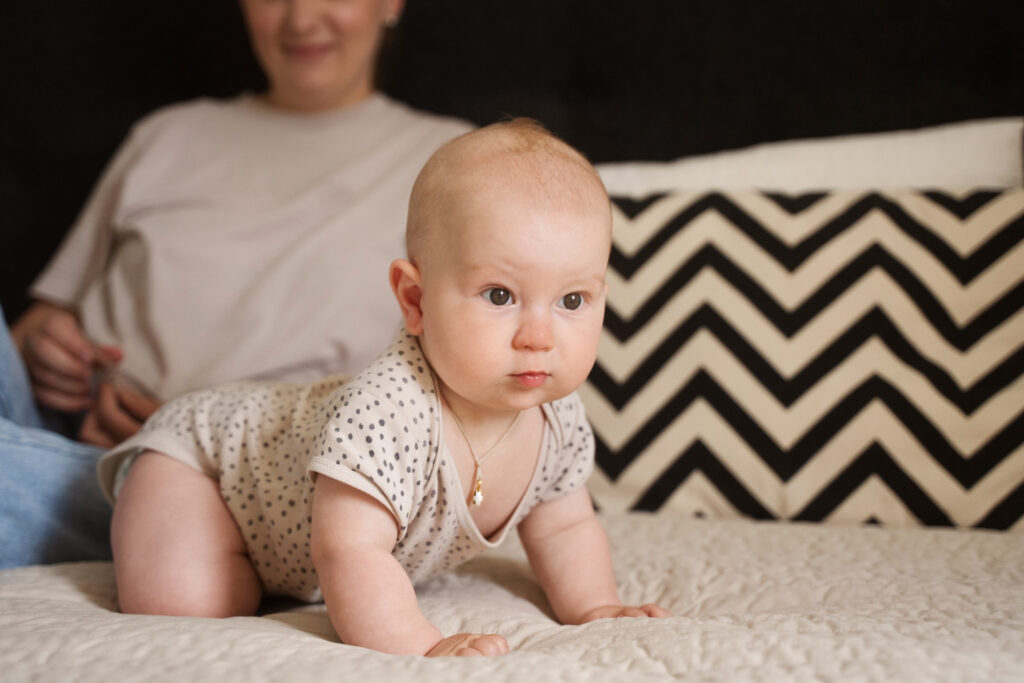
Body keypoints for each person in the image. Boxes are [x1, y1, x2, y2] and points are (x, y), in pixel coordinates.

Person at [101, 120, 671, 657]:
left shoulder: (556, 417)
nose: (539, 337)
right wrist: (418, 643)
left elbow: (566, 525)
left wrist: (597, 607)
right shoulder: (387, 411)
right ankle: (123, 509)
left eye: (572, 301)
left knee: (237, 590)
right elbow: (349, 549)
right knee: (189, 603)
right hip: (205, 466)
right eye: (500, 296)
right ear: (415, 300)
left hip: (273, 517)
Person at [0, 0, 473, 569]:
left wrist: (191, 432)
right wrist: (47, 347)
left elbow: (478, 384)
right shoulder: (165, 135)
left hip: (243, 491)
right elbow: (33, 326)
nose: (300, 21)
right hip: (77, 438)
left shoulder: (456, 166)